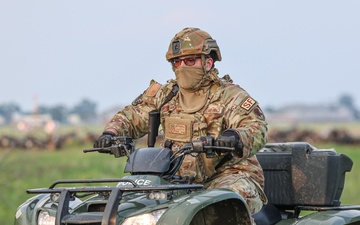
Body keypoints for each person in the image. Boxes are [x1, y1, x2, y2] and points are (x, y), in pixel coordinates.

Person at [93, 27, 268, 214]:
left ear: (208, 62)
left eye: (190, 60)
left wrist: (234, 137)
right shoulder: (167, 94)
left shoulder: (230, 96)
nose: (182, 66)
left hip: (228, 175)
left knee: (222, 204)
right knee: (128, 207)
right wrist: (111, 133)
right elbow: (133, 115)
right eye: (177, 62)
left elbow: (256, 127)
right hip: (176, 178)